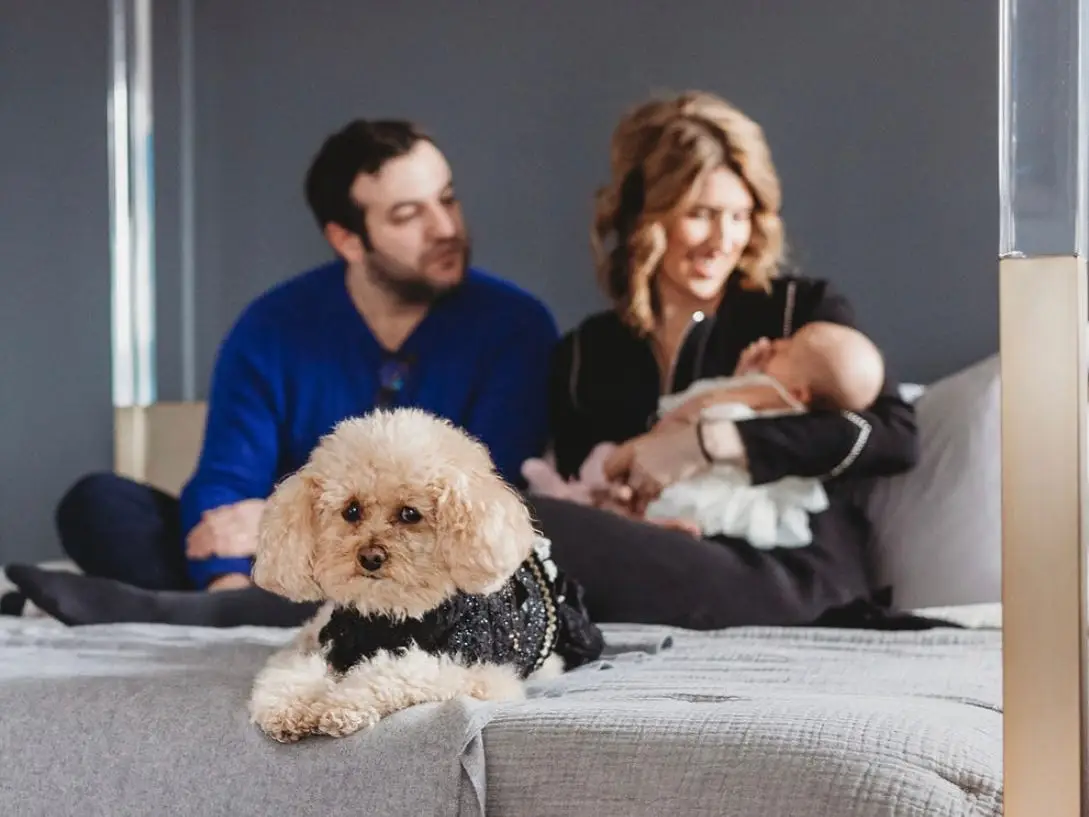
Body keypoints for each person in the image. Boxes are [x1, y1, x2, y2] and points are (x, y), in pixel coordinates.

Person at [3, 118, 558, 625]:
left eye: (448, 200)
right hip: (278, 565)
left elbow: (488, 491)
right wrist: (228, 579)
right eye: (408, 215)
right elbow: (225, 477)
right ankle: (229, 610)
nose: (445, 228)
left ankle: (170, 610)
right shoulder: (273, 325)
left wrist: (278, 520)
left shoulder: (516, 325)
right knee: (99, 504)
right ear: (347, 239)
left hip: (419, 562)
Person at [523, 90, 918, 630]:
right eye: (700, 214)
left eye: (738, 215)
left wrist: (707, 444)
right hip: (659, 561)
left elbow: (894, 435)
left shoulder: (798, 313)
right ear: (646, 215)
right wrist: (625, 518)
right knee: (519, 523)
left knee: (530, 523)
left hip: (786, 576)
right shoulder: (586, 354)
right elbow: (583, 481)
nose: (723, 239)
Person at [523, 320, 887, 548]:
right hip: (724, 492)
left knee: (618, 469)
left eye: (786, 349)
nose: (774, 343)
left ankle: (594, 502)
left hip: (703, 479)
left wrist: (659, 437)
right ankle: (605, 505)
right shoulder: (784, 398)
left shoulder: (768, 393)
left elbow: (698, 407)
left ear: (802, 391)